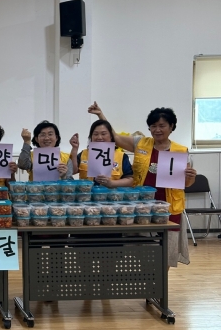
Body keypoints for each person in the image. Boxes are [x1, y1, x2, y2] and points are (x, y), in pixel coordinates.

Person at [88, 101, 197, 267]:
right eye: (153, 126)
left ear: (171, 127)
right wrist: (100, 115)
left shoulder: (181, 151)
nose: (157, 130)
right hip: (142, 206)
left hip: (169, 208)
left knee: (166, 253)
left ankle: (161, 282)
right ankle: (146, 280)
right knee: (141, 250)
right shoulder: (140, 143)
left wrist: (190, 177)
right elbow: (115, 136)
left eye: (162, 126)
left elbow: (187, 184)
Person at [76, 119, 134, 188]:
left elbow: (131, 180)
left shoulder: (121, 156)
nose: (99, 137)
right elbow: (72, 171)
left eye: (103, 134)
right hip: (87, 193)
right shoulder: (84, 154)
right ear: (91, 137)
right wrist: (74, 149)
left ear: (111, 136)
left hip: (111, 194)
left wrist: (112, 183)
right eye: (95, 134)